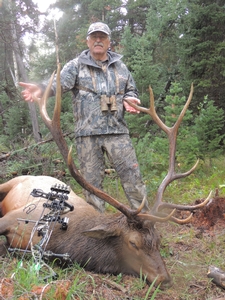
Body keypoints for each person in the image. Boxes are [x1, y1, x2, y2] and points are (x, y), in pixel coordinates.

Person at [19, 22, 149, 213]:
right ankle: (97, 229)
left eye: (102, 37)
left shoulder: (121, 67)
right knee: (92, 186)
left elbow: (131, 89)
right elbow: (57, 84)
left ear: (109, 42)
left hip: (118, 133)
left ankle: (144, 224)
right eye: (94, 37)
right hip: (87, 137)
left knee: (133, 179)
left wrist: (131, 98)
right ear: (88, 41)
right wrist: (41, 87)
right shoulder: (76, 66)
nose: (98, 40)